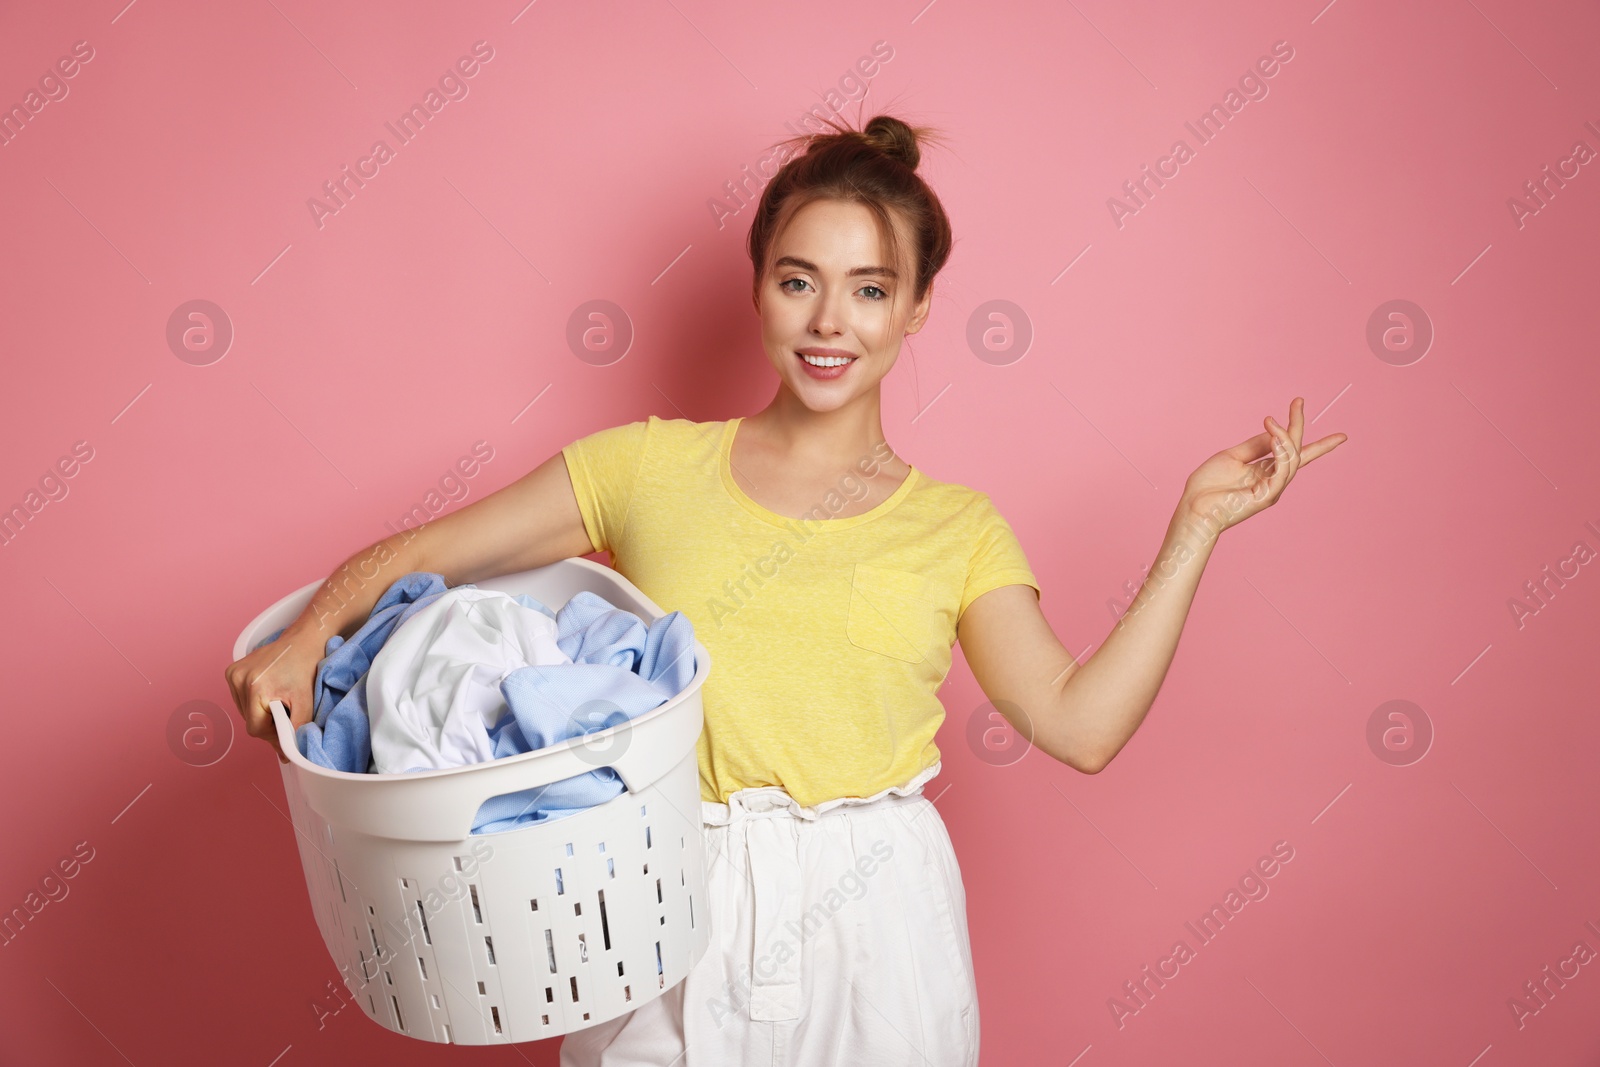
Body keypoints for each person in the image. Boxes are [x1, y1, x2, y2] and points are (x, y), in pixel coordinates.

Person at [224, 112, 1346, 1065]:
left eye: (869, 289)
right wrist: (312, 631)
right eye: (798, 279)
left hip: (879, 914)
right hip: (666, 893)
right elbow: (432, 552)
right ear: (757, 285)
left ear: (913, 312)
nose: (828, 320)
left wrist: (1194, 526)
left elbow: (1080, 723)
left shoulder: (955, 528)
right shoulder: (644, 467)